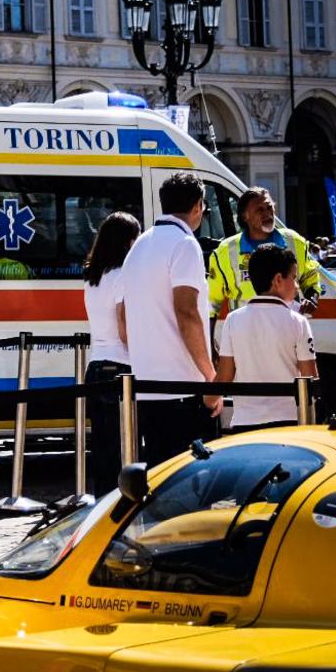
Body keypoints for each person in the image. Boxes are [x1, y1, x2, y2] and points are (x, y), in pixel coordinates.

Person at [121, 172, 219, 465]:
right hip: (183, 386)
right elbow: (187, 312)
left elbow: (125, 313)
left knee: (159, 477)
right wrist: (210, 377)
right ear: (198, 207)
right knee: (191, 480)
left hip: (147, 384)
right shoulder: (184, 244)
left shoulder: (139, 244)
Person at [208, 244, 318, 431]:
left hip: (245, 423)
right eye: (294, 278)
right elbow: (311, 378)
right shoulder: (298, 322)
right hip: (288, 422)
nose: (297, 285)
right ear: (277, 280)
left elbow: (225, 376)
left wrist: (209, 399)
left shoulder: (233, 320)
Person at [82, 212, 140, 496]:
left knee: (103, 449)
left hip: (95, 366)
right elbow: (125, 327)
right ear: (129, 243)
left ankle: (101, 507)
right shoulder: (123, 277)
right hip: (121, 366)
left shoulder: (94, 277)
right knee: (124, 449)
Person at [208, 187, 320, 323]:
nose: (267, 213)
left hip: (288, 332)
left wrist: (311, 299)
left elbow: (311, 278)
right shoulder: (226, 250)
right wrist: (209, 342)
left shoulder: (294, 241)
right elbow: (211, 303)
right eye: (259, 210)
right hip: (246, 333)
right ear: (245, 216)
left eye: (269, 207)